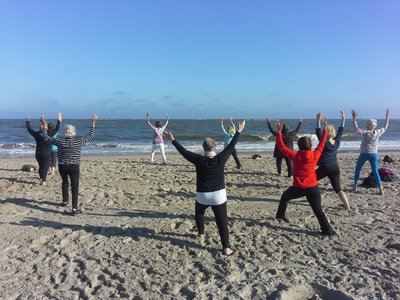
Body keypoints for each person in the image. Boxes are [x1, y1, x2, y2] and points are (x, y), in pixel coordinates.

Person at [163, 120, 246, 256]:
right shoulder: (221, 158)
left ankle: (201, 234)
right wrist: (239, 131)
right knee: (222, 222)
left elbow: (183, 152)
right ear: (214, 147)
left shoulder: (199, 160)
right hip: (219, 196)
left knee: (199, 214)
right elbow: (231, 146)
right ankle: (226, 249)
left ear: (203, 148)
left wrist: (173, 140)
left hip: (202, 196)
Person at [275, 117, 335, 237]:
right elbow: (322, 143)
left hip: (299, 188)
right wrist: (325, 130)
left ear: (298, 146)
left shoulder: (295, 155)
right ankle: (328, 231)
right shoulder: (315, 154)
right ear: (310, 145)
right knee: (318, 211)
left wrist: (279, 132)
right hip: (313, 188)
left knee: (284, 197)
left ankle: (280, 215)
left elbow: (282, 147)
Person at [41, 114, 97, 215]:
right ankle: (74, 209)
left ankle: (65, 201)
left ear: (64, 132)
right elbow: (91, 136)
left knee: (65, 182)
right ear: (74, 133)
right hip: (74, 166)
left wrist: (44, 126)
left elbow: (45, 138)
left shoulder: (59, 141)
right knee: (75, 187)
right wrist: (93, 123)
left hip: (62, 166)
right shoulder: (79, 141)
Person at [315, 111, 351, 211]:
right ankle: (347, 206)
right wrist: (343, 118)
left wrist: (318, 121)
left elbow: (317, 131)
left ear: (326, 132)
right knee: (338, 189)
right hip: (335, 167)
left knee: (311, 180)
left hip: (325, 167)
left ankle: (312, 196)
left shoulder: (323, 142)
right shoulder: (337, 141)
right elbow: (341, 130)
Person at [352, 109, 390, 195]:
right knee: (376, 171)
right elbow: (385, 127)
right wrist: (387, 116)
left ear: (368, 125)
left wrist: (354, 118)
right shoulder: (378, 132)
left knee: (358, 169)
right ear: (375, 125)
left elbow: (356, 129)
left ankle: (355, 187)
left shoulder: (365, 132)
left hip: (364, 154)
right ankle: (381, 190)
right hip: (374, 154)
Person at [26, 112, 61, 185]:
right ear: (46, 129)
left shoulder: (36, 134)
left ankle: (41, 177)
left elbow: (29, 129)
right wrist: (59, 121)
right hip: (46, 155)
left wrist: (27, 121)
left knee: (41, 166)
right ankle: (43, 181)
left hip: (38, 154)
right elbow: (57, 129)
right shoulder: (49, 136)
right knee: (45, 167)